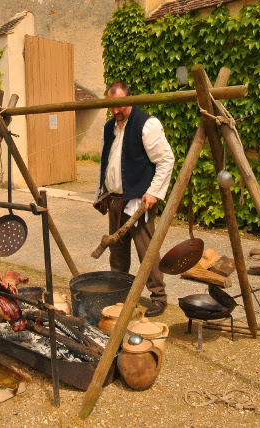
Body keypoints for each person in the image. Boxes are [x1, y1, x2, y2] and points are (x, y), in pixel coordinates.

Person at [93, 81, 175, 317]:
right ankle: (120, 294)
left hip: (140, 201)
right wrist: (100, 193)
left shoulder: (147, 124)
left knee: (146, 251)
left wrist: (153, 193)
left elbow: (166, 160)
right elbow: (105, 162)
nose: (117, 111)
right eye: (112, 106)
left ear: (130, 99)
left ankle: (158, 296)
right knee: (117, 254)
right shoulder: (109, 127)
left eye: (120, 105)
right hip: (115, 201)